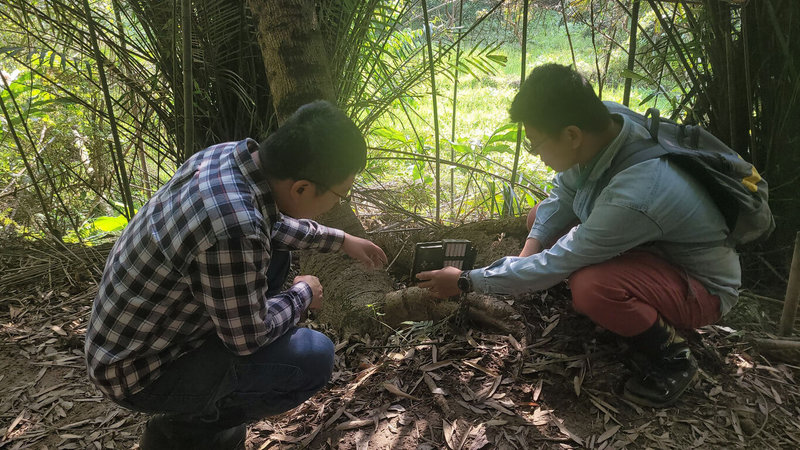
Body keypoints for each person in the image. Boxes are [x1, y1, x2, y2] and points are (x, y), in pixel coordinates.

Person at [417, 64, 740, 408]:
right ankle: (622, 304)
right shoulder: (605, 125)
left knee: (591, 287)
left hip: (700, 285)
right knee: (537, 218)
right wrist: (528, 252)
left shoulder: (637, 193)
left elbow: (562, 261)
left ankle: (672, 357)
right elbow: (562, 197)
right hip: (649, 247)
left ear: (571, 135)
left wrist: (466, 280)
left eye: (535, 143)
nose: (536, 154)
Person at [84, 100, 388, 449]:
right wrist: (303, 294)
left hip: (127, 339)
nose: (338, 205)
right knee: (313, 357)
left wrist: (341, 240)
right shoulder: (235, 228)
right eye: (339, 196)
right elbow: (249, 337)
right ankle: (187, 430)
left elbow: (268, 224)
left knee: (275, 259)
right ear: (302, 188)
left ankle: (207, 402)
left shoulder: (226, 157)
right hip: (141, 371)